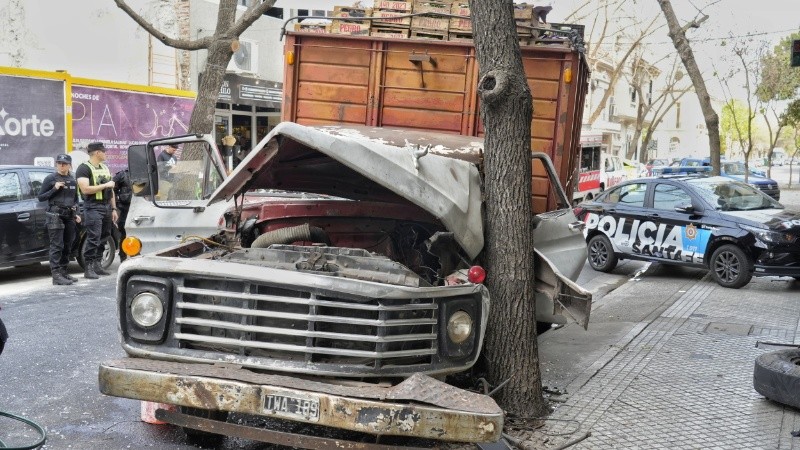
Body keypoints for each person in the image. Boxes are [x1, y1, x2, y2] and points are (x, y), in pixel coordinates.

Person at [38, 153, 82, 285]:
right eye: (59, 163)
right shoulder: (50, 178)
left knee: (68, 244)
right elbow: (41, 197)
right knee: (57, 245)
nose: (61, 166)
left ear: (69, 165)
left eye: (64, 163)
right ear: (56, 164)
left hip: (69, 215)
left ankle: (63, 272)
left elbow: (75, 199)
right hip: (54, 215)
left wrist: (77, 213)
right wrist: (54, 188)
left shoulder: (73, 179)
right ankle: (56, 275)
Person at [76, 142, 118, 279]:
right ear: (97, 153)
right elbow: (85, 189)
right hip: (93, 206)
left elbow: (110, 191)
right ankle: (88, 267)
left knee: (104, 236)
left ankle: (97, 265)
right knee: (93, 237)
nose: (105, 154)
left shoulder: (105, 168)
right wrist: (106, 184)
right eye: (104, 151)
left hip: (106, 206)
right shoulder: (83, 168)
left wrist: (113, 209)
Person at [112, 168, 133, 262]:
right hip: (124, 208)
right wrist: (116, 204)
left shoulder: (143, 174)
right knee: (124, 233)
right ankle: (123, 256)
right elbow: (112, 188)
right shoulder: (122, 175)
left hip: (138, 206)